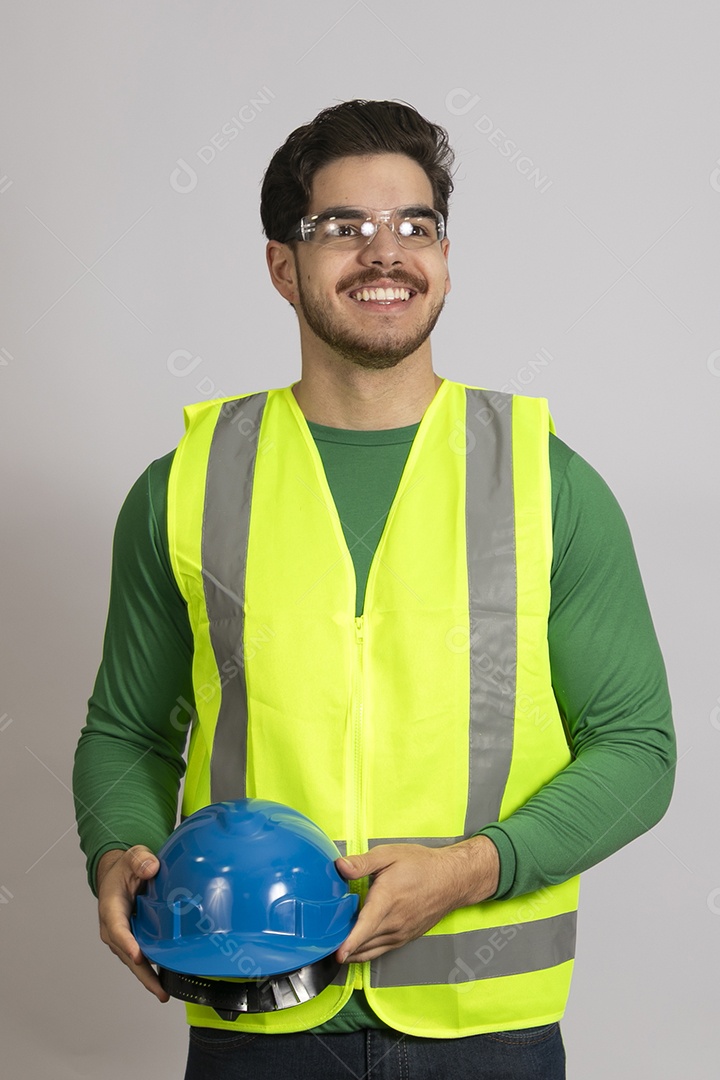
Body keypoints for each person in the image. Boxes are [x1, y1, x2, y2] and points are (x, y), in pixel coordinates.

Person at [73, 99, 676, 1080]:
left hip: (487, 1032)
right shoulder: (185, 484)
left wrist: (474, 868)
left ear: (445, 257)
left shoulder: (546, 482)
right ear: (283, 266)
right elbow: (129, 734)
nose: (384, 252)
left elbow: (639, 748)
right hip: (255, 1014)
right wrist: (119, 853)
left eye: (415, 226)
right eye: (342, 227)